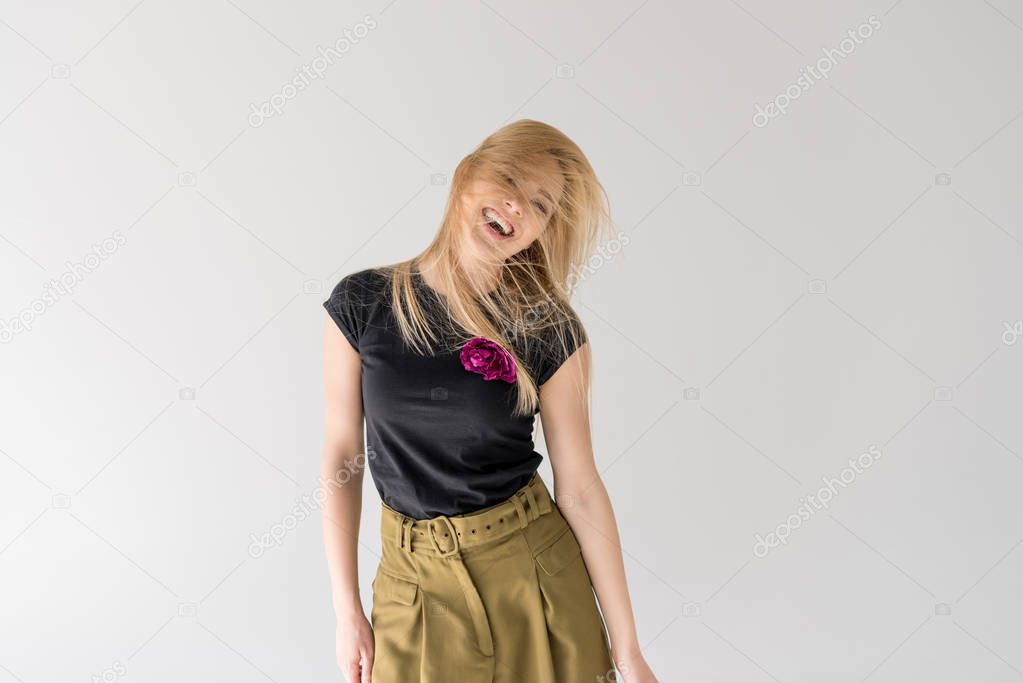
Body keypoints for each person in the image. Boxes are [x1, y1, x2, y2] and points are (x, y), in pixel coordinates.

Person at [321, 119, 657, 682]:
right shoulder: (362, 304)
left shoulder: (549, 328)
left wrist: (628, 651)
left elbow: (579, 489)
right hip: (412, 584)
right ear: (465, 175)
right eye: (509, 179)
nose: (517, 206)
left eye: (541, 204)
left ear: (543, 232)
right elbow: (340, 458)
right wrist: (346, 609)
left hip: (535, 575)